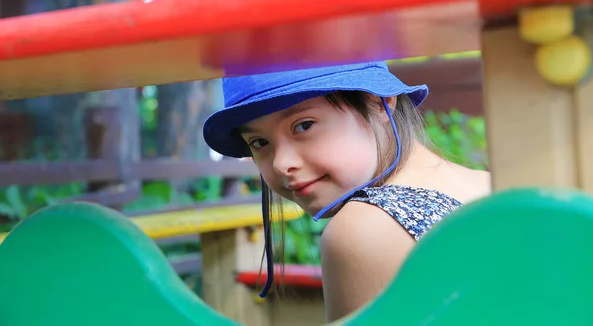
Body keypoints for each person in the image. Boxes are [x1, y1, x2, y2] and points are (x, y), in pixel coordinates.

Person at [203, 61, 491, 322]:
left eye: (303, 125)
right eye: (259, 142)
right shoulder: (492, 184)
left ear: (379, 102)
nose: (281, 164)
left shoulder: (362, 228)